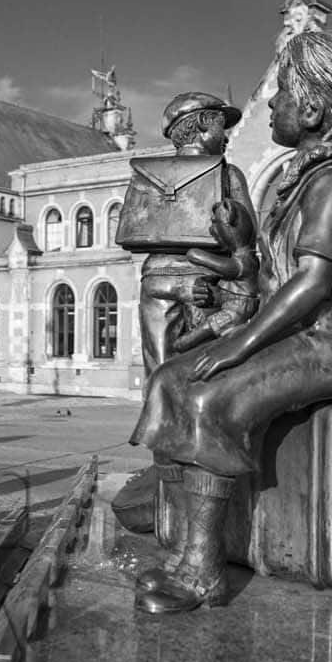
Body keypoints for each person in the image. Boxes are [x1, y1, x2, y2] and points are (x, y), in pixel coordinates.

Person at [130, 30, 332, 615]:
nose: (271, 105)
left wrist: (240, 343)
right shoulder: (302, 178)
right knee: (171, 380)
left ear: (315, 110)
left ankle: (202, 572)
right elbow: (267, 271)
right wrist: (240, 249)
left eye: (281, 95)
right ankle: (186, 544)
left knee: (211, 401)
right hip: (299, 333)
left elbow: (312, 283)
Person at [110, 91, 256, 533]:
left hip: (198, 287)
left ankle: (187, 498)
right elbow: (250, 244)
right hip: (189, 286)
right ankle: (173, 498)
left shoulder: (160, 176)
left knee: (175, 386)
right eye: (219, 126)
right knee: (176, 386)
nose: (226, 135)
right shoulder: (227, 175)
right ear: (198, 126)